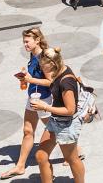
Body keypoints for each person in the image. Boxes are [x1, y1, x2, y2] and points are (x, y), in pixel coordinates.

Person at [2, 27, 54, 180]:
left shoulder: (44, 58)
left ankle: (74, 152)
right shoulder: (33, 55)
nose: (25, 45)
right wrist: (25, 77)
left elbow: (50, 81)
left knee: (55, 131)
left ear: (37, 40)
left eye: (27, 41)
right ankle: (20, 166)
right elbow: (35, 76)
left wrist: (31, 80)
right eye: (23, 42)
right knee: (27, 131)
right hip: (33, 97)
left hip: (43, 100)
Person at [29, 47, 86, 183]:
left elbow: (70, 110)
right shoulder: (60, 70)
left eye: (43, 66)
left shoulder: (66, 82)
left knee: (73, 159)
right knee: (41, 155)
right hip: (55, 120)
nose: (42, 70)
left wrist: (45, 107)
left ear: (53, 64)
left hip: (67, 125)